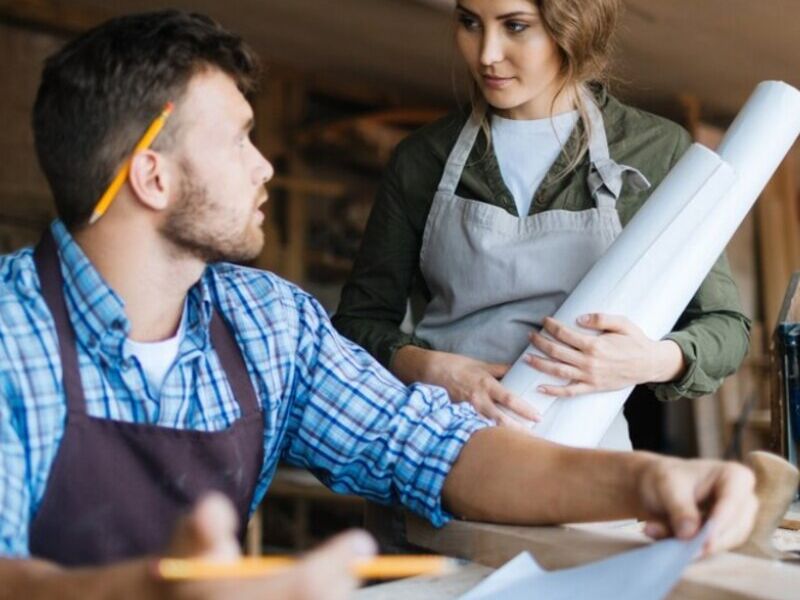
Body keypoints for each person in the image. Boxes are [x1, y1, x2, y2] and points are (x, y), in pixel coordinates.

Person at [0, 9, 756, 600]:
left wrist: (652, 481)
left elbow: (436, 448)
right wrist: (146, 589)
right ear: (154, 179)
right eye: (239, 142)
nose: (266, 166)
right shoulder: (12, 332)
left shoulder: (267, 323)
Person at [333, 0, 750, 450]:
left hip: (586, 458)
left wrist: (651, 360)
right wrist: (429, 368)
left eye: (515, 26)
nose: (486, 53)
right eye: (470, 23)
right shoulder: (422, 160)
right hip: (437, 446)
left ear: (572, 28)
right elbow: (358, 323)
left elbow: (724, 326)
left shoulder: (655, 151)